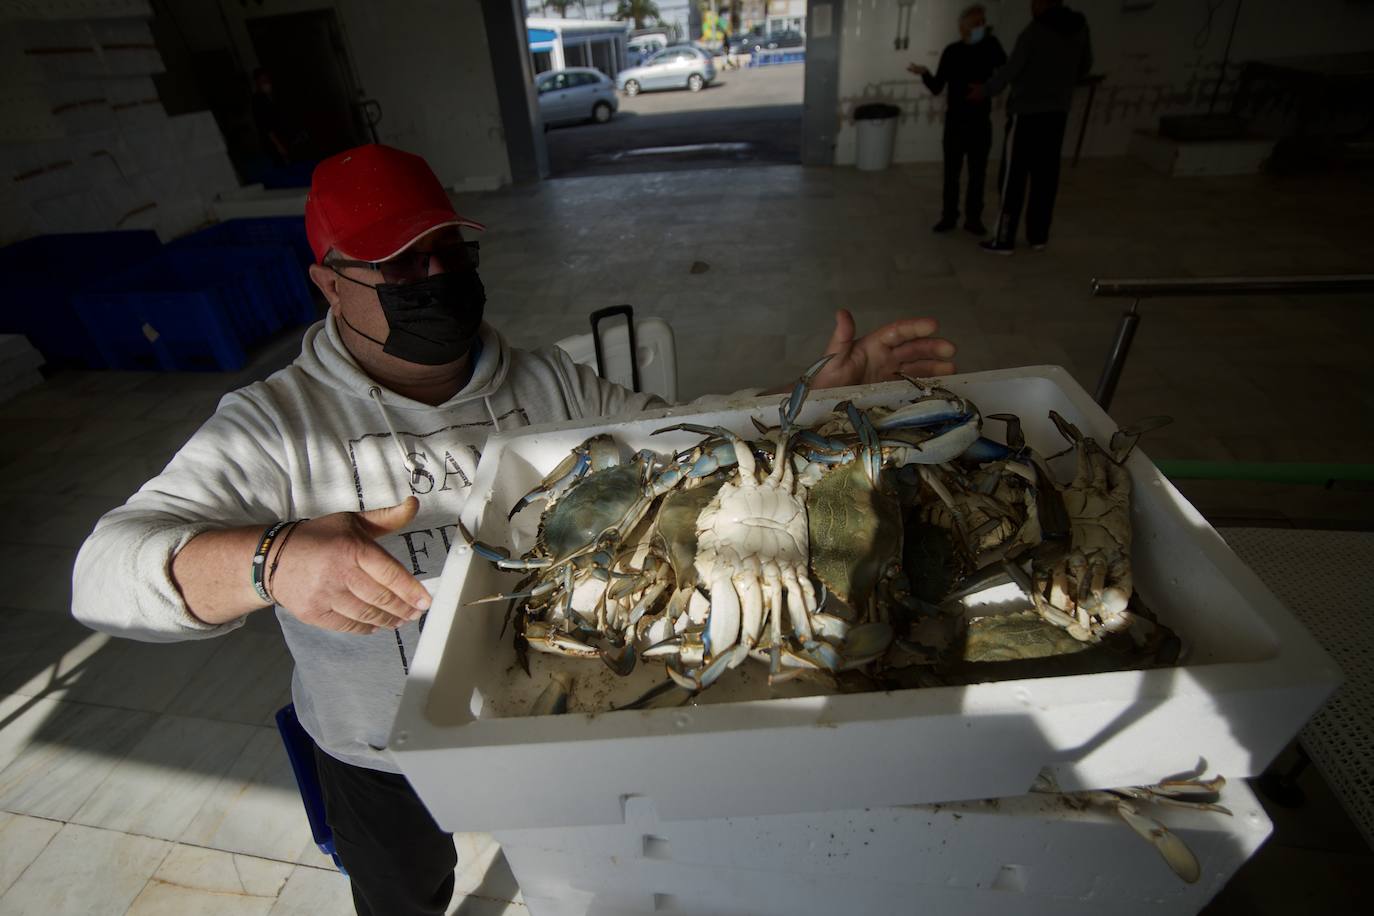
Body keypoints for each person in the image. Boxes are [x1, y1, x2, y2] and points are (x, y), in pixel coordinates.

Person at [71, 143, 958, 916]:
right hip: (375, 751)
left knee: (580, 873)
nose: (435, 280)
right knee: (402, 897)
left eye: (446, 251)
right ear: (330, 282)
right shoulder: (274, 426)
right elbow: (101, 573)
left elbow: (690, 438)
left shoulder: (550, 388)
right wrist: (272, 560)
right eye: (400, 265)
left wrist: (811, 401)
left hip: (551, 714)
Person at [969, 0, 1092, 254]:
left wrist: (985, 90)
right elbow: (1084, 65)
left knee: (1012, 178)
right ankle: (1038, 237)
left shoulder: (1035, 31)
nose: (1031, 6)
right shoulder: (1079, 28)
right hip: (1057, 114)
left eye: (1034, 2)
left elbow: (1011, 69)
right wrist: (1061, 85)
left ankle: (1004, 240)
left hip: (1026, 115)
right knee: (1045, 178)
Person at [907, 4, 1006, 236]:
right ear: (963, 28)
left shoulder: (991, 47)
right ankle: (949, 217)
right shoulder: (952, 52)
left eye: (983, 22)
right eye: (975, 24)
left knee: (977, 173)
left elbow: (1006, 72)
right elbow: (937, 86)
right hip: (956, 122)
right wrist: (924, 73)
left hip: (980, 122)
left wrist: (988, 89)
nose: (981, 27)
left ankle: (974, 219)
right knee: (951, 173)